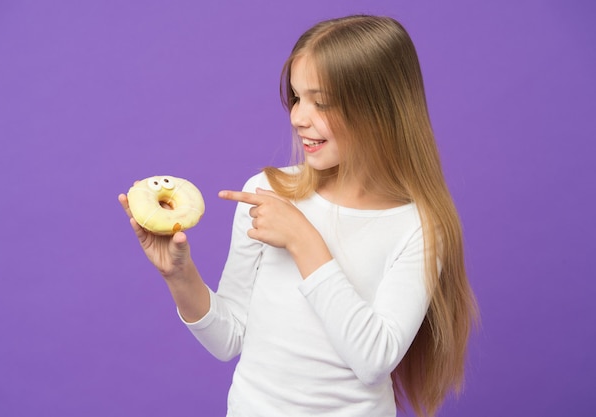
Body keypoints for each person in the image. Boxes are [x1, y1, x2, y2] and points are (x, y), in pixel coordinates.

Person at [119, 14, 478, 417]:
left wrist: (304, 240)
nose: (297, 117)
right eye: (296, 98)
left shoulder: (419, 228)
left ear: (381, 110)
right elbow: (230, 338)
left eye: (320, 102)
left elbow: (374, 358)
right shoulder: (267, 193)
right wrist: (179, 276)